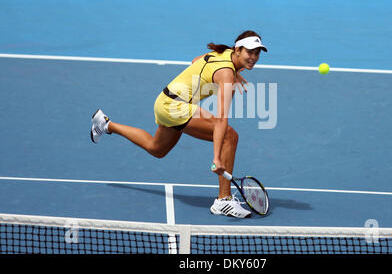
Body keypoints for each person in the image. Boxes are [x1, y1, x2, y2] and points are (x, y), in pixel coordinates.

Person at [90, 30, 267, 218]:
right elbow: (221, 120)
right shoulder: (227, 75)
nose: (254, 57)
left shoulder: (223, 54)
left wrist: (235, 73)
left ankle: (105, 124)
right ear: (238, 50)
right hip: (174, 107)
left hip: (165, 102)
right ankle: (223, 200)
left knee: (156, 149)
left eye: (257, 53)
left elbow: (195, 60)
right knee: (230, 137)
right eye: (250, 52)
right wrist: (217, 157)